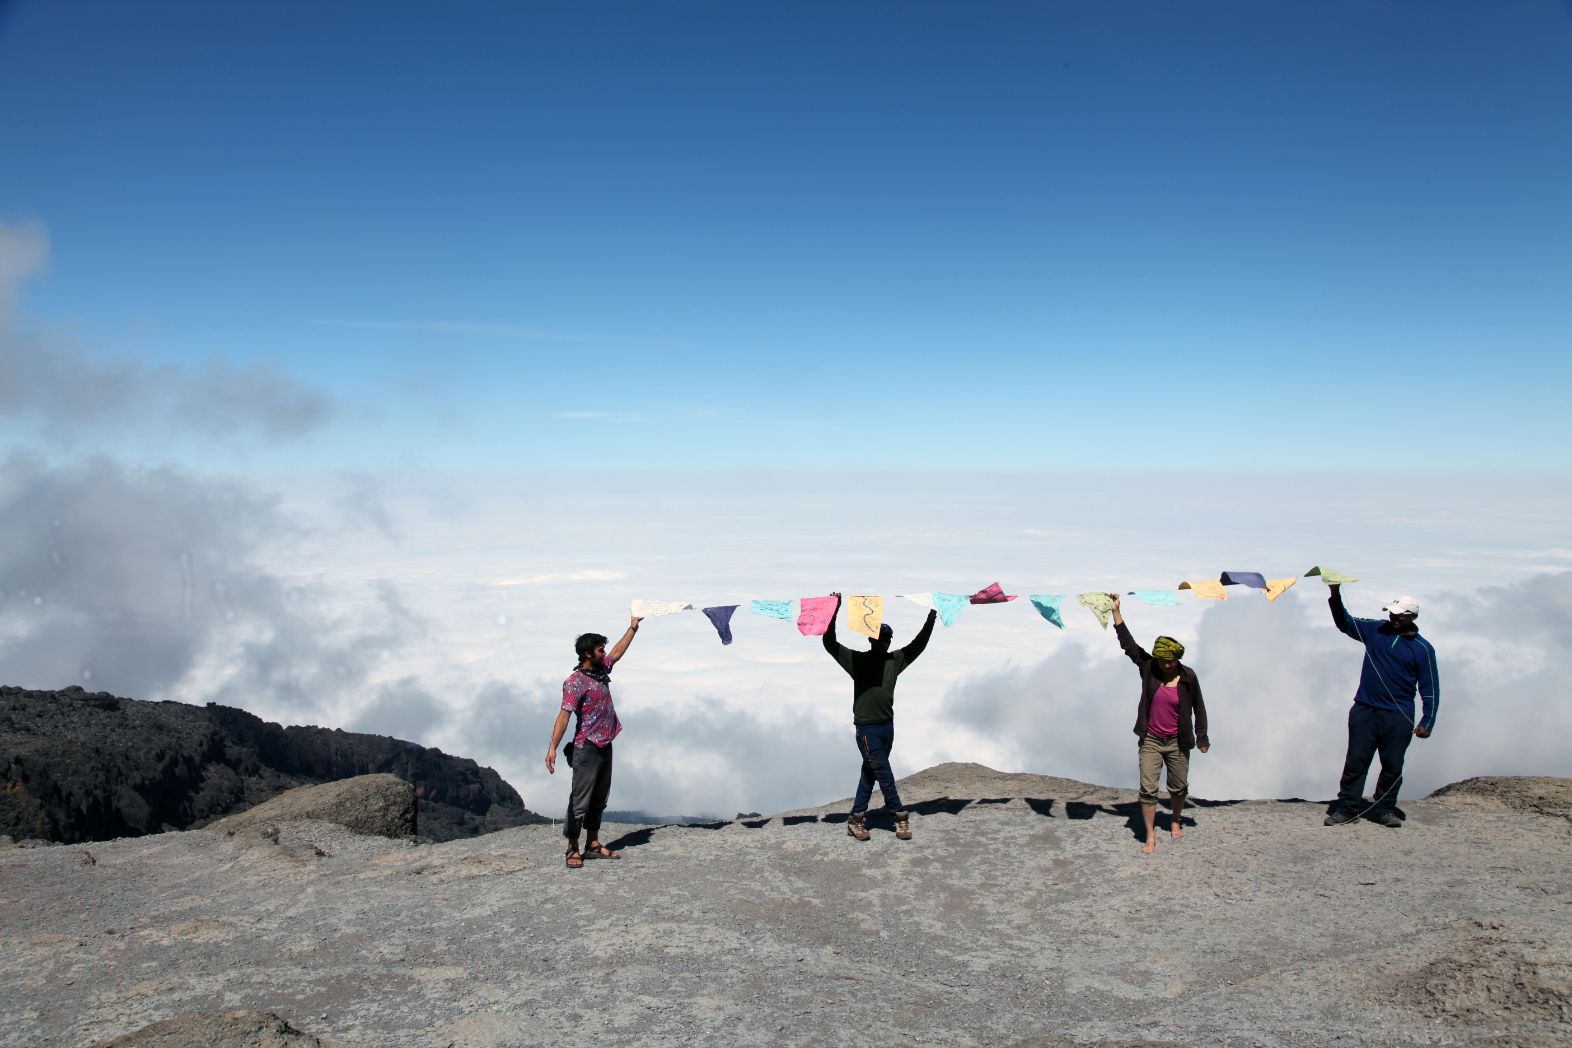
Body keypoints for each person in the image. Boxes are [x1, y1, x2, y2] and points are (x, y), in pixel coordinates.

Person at [821, 592, 937, 841]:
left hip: (886, 727)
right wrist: (834, 609)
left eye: (885, 639)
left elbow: (918, 645)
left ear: (888, 641)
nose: (882, 642)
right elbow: (829, 643)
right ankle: (900, 816)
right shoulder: (859, 661)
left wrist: (932, 617)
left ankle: (856, 818)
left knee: (871, 772)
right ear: (871, 638)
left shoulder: (894, 660)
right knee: (883, 771)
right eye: (879, 638)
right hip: (867, 730)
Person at [1323, 586, 1438, 828]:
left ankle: (1385, 809)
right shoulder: (1375, 630)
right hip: (1364, 709)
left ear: (1412, 617)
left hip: (1398, 715)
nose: (1393, 617)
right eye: (1391, 613)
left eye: (1399, 615)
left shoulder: (1423, 649)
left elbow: (1430, 689)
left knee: (1392, 765)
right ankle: (1347, 809)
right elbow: (1345, 623)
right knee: (1356, 762)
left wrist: (1427, 721)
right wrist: (1335, 594)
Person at [1109, 593, 1210, 855]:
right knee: (1148, 789)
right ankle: (1150, 834)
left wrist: (1202, 737)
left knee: (1178, 787)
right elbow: (1129, 646)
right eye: (1163, 660)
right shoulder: (1149, 668)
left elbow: (1199, 707)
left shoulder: (1188, 676)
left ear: (1177, 658)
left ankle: (1175, 819)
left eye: (1171, 660)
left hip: (1178, 741)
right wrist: (1116, 612)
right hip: (1151, 740)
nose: (1167, 665)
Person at [545, 616, 642, 868]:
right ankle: (572, 848)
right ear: (588, 654)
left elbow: (617, 653)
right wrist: (553, 747)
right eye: (600, 650)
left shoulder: (600, 670)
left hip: (605, 743)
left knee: (599, 797)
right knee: (580, 800)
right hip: (586, 746)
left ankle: (593, 843)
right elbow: (564, 715)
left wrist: (633, 628)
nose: (605, 653)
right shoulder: (575, 683)